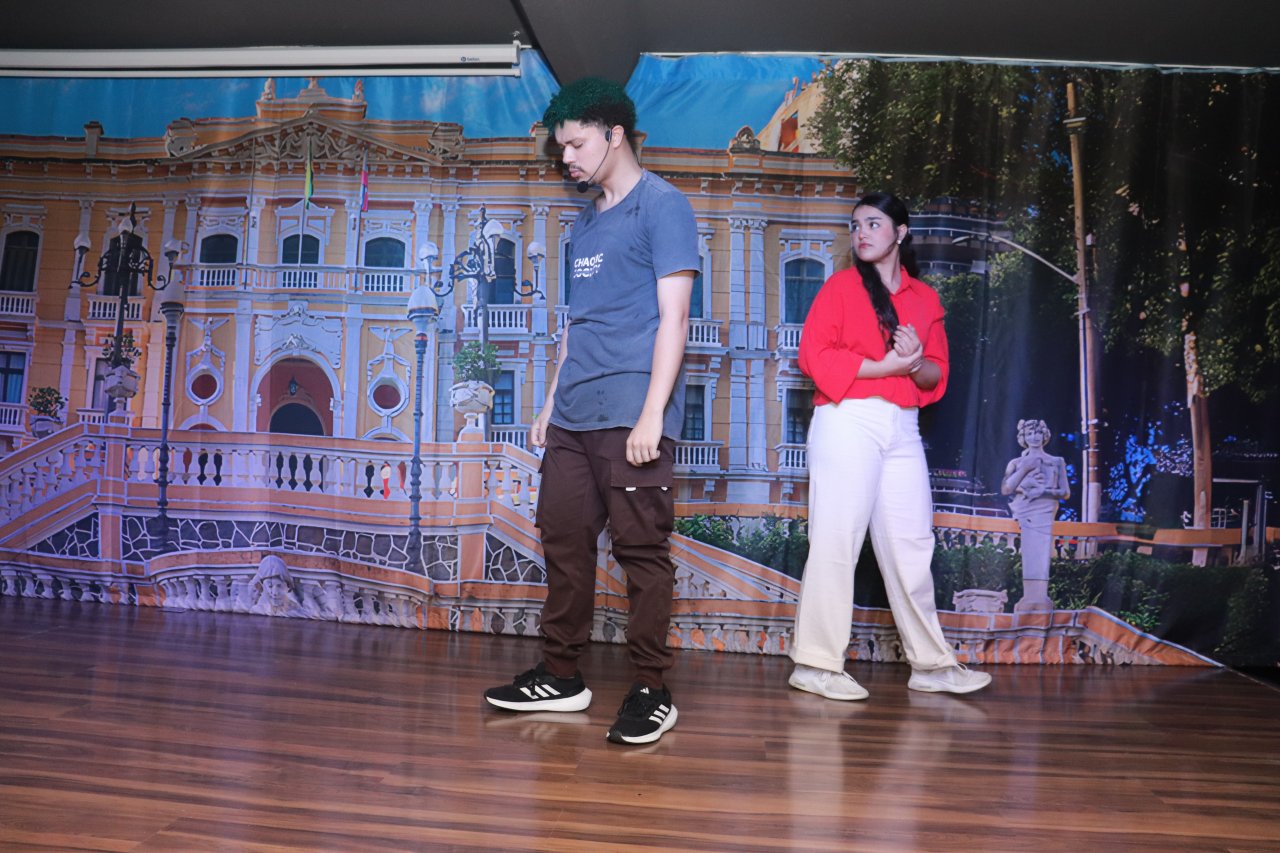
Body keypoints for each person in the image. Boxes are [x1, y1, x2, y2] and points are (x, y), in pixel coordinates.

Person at [484, 77, 699, 745]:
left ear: (615, 134)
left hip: (632, 411)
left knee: (641, 551)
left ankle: (651, 687)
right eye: (561, 148)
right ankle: (561, 674)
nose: (567, 158)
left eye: (576, 144)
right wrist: (551, 400)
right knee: (564, 541)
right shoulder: (583, 224)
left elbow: (674, 318)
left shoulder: (664, 206)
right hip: (574, 414)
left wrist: (653, 414)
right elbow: (576, 324)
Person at [788, 191, 992, 700]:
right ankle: (815, 665)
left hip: (902, 425)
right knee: (836, 541)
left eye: (873, 223)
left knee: (912, 546)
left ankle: (931, 665)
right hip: (847, 419)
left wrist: (915, 361)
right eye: (855, 225)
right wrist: (888, 366)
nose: (861, 233)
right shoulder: (839, 287)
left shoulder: (925, 299)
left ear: (900, 232)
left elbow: (935, 375)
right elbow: (814, 356)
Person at [1001, 418, 1070, 612]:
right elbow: (1006, 489)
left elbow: (1065, 492)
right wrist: (1025, 475)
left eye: (1038, 432)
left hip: (1045, 510)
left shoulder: (1057, 462)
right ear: (1023, 437)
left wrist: (1042, 491)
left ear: (1044, 435)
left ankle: (1040, 599)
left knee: (1042, 551)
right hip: (1025, 509)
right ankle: (1029, 598)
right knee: (1029, 551)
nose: (1034, 437)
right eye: (1029, 433)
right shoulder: (1016, 463)